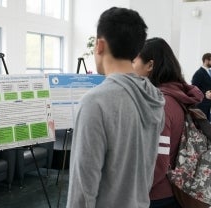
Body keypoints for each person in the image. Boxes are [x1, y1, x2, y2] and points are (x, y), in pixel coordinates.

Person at [66, 7, 165, 208]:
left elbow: (83, 189)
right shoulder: (154, 96)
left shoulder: (95, 102)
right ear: (137, 51)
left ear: (99, 45)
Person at [133, 37, 204, 208]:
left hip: (157, 195)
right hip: (174, 190)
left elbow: (158, 159)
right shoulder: (177, 95)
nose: (130, 67)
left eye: (134, 61)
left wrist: (134, 191)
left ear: (150, 65)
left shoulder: (161, 103)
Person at [191, 53, 211, 121]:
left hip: (208, 105)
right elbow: (194, 89)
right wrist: (206, 94)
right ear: (206, 60)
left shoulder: (209, 72)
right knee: (203, 126)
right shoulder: (199, 73)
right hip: (201, 105)